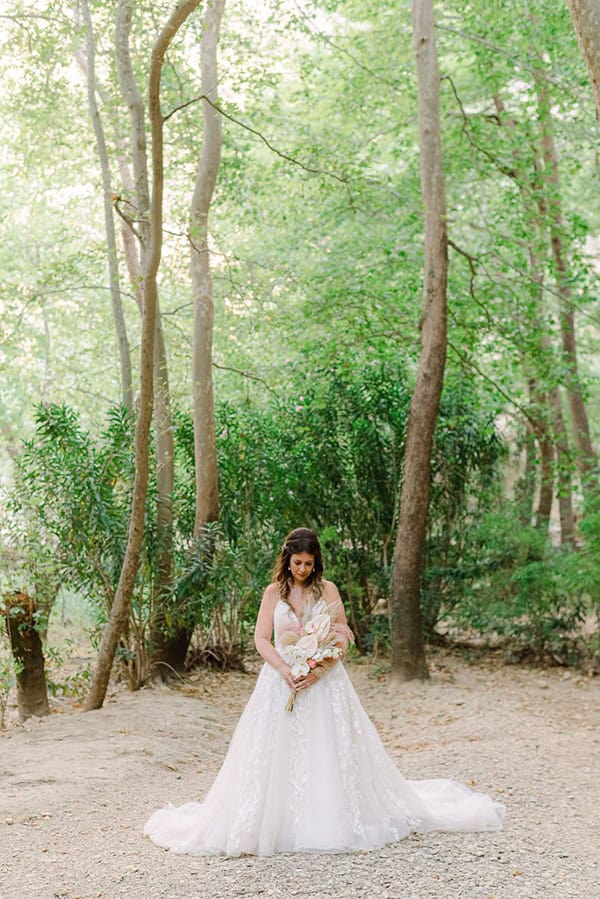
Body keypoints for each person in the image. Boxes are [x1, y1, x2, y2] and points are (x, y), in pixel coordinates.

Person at [144, 527, 505, 856]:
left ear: (316, 562)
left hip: (324, 680)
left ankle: (330, 816)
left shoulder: (327, 590)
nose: (302, 569)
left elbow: (342, 633)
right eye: (297, 562)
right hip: (281, 679)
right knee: (273, 748)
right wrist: (286, 669)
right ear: (286, 560)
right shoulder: (274, 593)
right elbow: (260, 638)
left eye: (308, 563)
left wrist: (319, 669)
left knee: (328, 747)